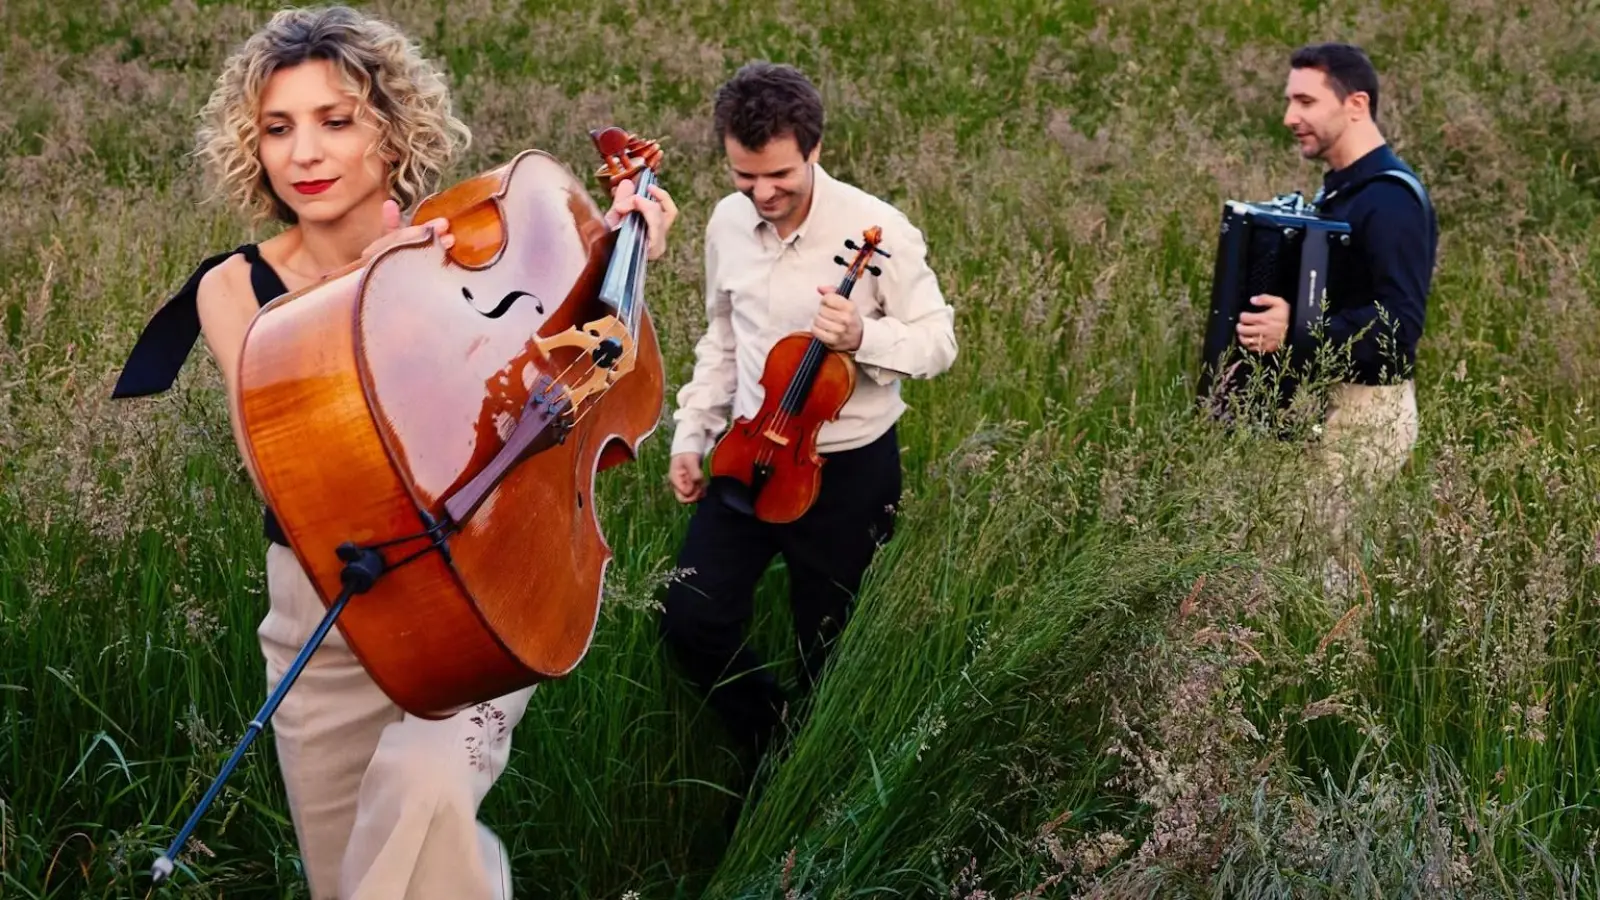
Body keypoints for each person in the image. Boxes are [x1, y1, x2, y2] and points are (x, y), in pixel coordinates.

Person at [110, 7, 675, 898]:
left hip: (483, 585)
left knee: (422, 790)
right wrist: (368, 298)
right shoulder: (235, 287)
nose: (305, 153)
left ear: (391, 128)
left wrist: (627, 255)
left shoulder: (459, 243)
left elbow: (587, 371)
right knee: (349, 881)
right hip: (326, 608)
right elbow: (285, 474)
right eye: (277, 129)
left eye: (336, 120)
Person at [659, 62, 957, 776]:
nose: (762, 194)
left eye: (779, 176)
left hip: (848, 471)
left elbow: (939, 342)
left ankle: (813, 780)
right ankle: (774, 739)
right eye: (744, 175)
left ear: (815, 149)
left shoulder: (879, 231)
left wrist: (863, 337)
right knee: (689, 617)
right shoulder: (728, 222)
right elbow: (723, 337)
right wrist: (692, 432)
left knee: (828, 645)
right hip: (747, 454)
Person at [1237, 42, 1438, 556]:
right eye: (1290, 101)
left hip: (1368, 412)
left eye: (1306, 101)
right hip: (1324, 404)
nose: (1289, 117)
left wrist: (1295, 331)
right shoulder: (1343, 192)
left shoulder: (1390, 199)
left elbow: (1400, 327)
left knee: (1309, 566)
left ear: (1356, 105)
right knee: (1304, 561)